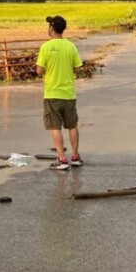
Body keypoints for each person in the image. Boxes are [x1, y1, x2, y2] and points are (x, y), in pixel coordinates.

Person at [36, 14, 83, 170]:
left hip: (52, 94)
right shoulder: (71, 46)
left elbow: (39, 71)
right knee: (72, 125)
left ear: (51, 28)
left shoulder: (45, 47)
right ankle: (75, 156)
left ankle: (62, 159)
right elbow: (77, 68)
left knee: (55, 127)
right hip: (69, 94)